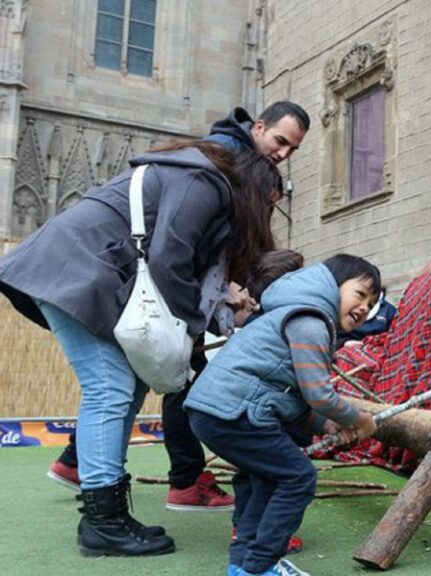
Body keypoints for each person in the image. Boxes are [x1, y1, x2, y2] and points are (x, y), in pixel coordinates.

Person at [0, 141, 280, 557]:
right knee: (108, 389)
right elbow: (170, 258)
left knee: (124, 390)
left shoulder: (198, 178)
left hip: (92, 272)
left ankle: (106, 515)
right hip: (79, 269)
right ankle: (103, 521)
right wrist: (189, 327)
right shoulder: (207, 181)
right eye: (270, 202)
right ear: (254, 187)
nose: (268, 213)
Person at [186, 255, 380, 576]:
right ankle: (262, 565)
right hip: (234, 412)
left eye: (372, 303)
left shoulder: (291, 313)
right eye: (360, 294)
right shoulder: (311, 321)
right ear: (333, 285)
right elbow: (318, 394)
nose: (364, 308)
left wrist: (326, 423)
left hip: (217, 410)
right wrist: (359, 419)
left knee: (266, 479)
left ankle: (243, 565)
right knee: (298, 477)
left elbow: (290, 398)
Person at [206, 101, 310, 165]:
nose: (283, 154)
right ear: (259, 128)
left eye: (292, 149)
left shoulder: (260, 163)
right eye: (280, 141)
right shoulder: (217, 151)